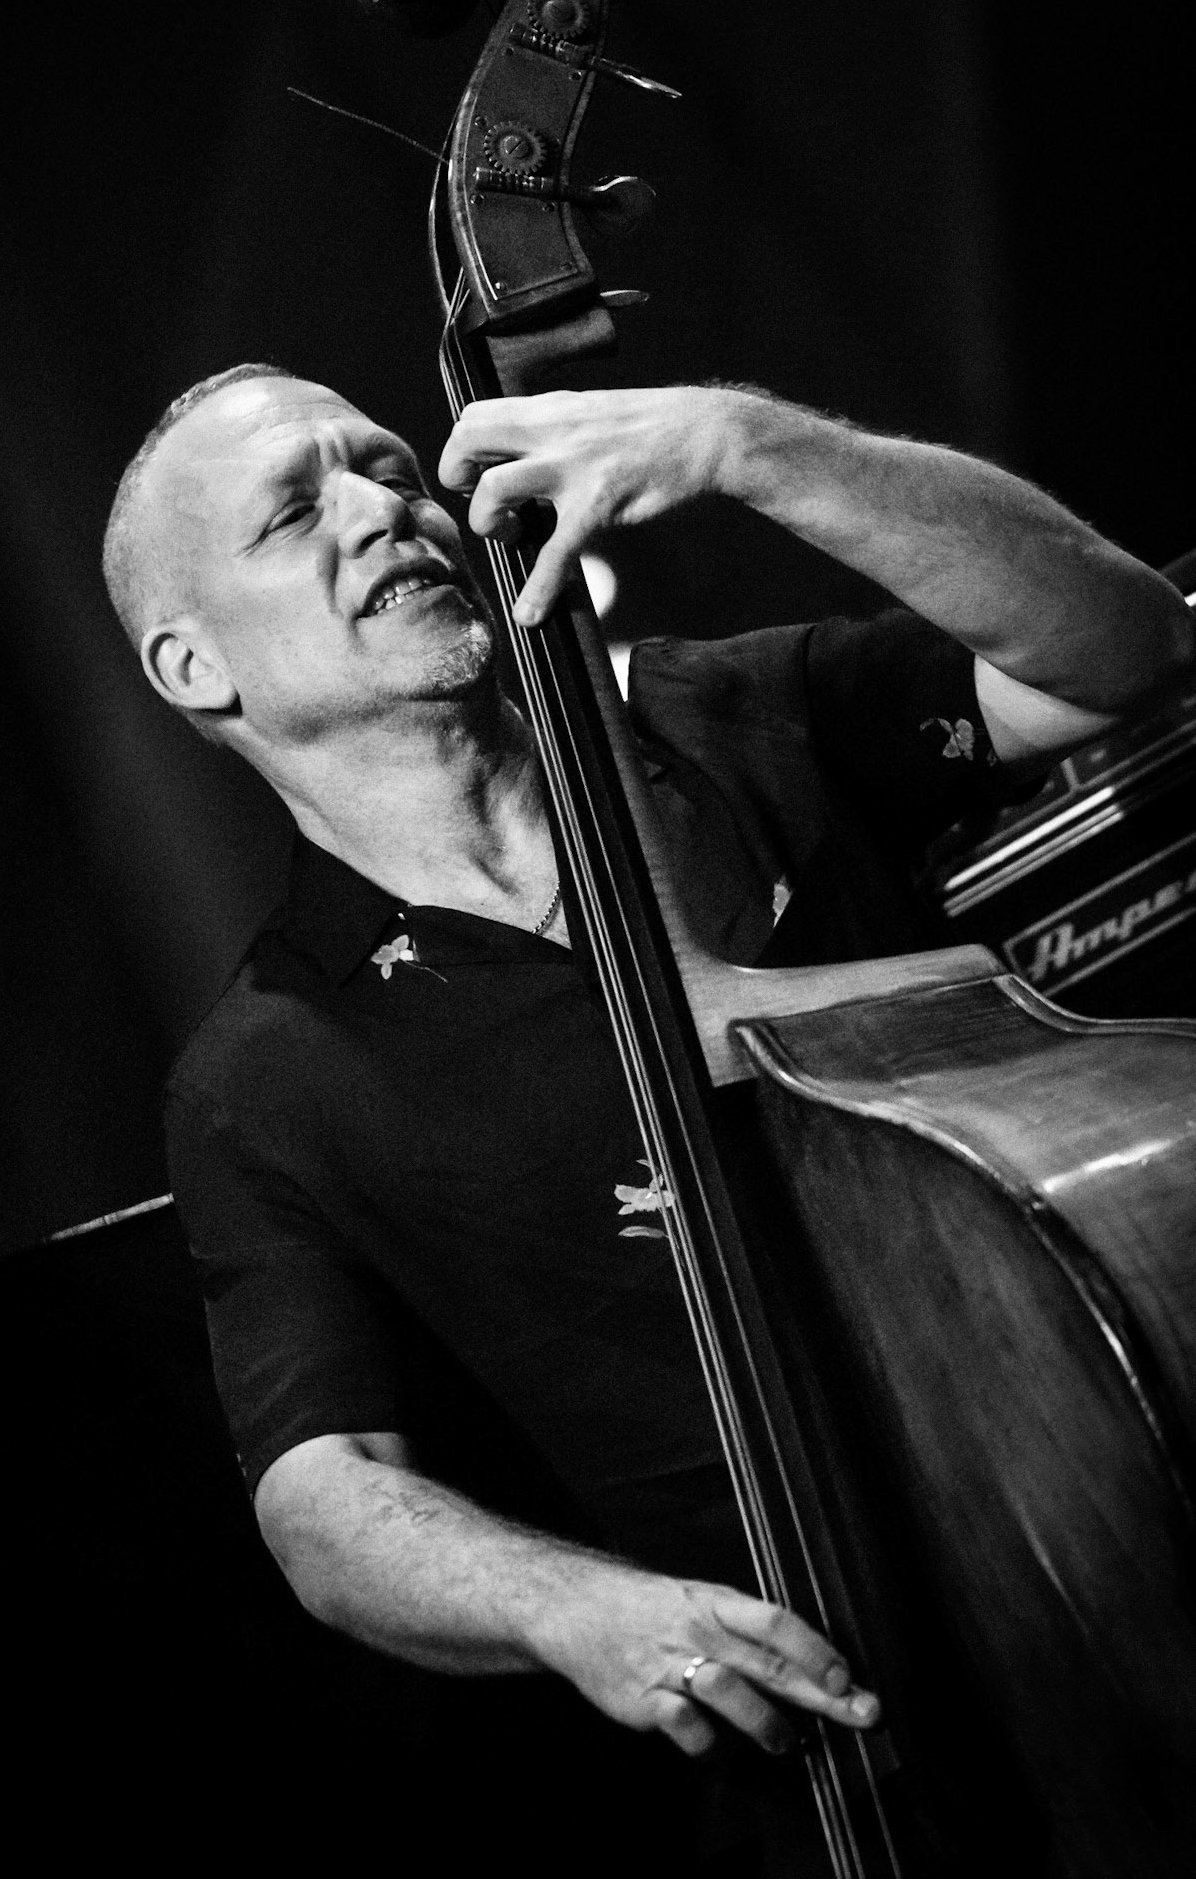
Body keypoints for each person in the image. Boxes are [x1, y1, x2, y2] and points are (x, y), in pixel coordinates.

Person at [101, 365, 1191, 1773]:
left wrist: (751, 444)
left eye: (387, 468)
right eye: (294, 513)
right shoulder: (266, 1074)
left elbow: (1125, 649)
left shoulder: (721, 716)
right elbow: (325, 1496)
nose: (381, 510)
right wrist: (569, 1607)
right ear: (195, 667)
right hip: (840, 1735)